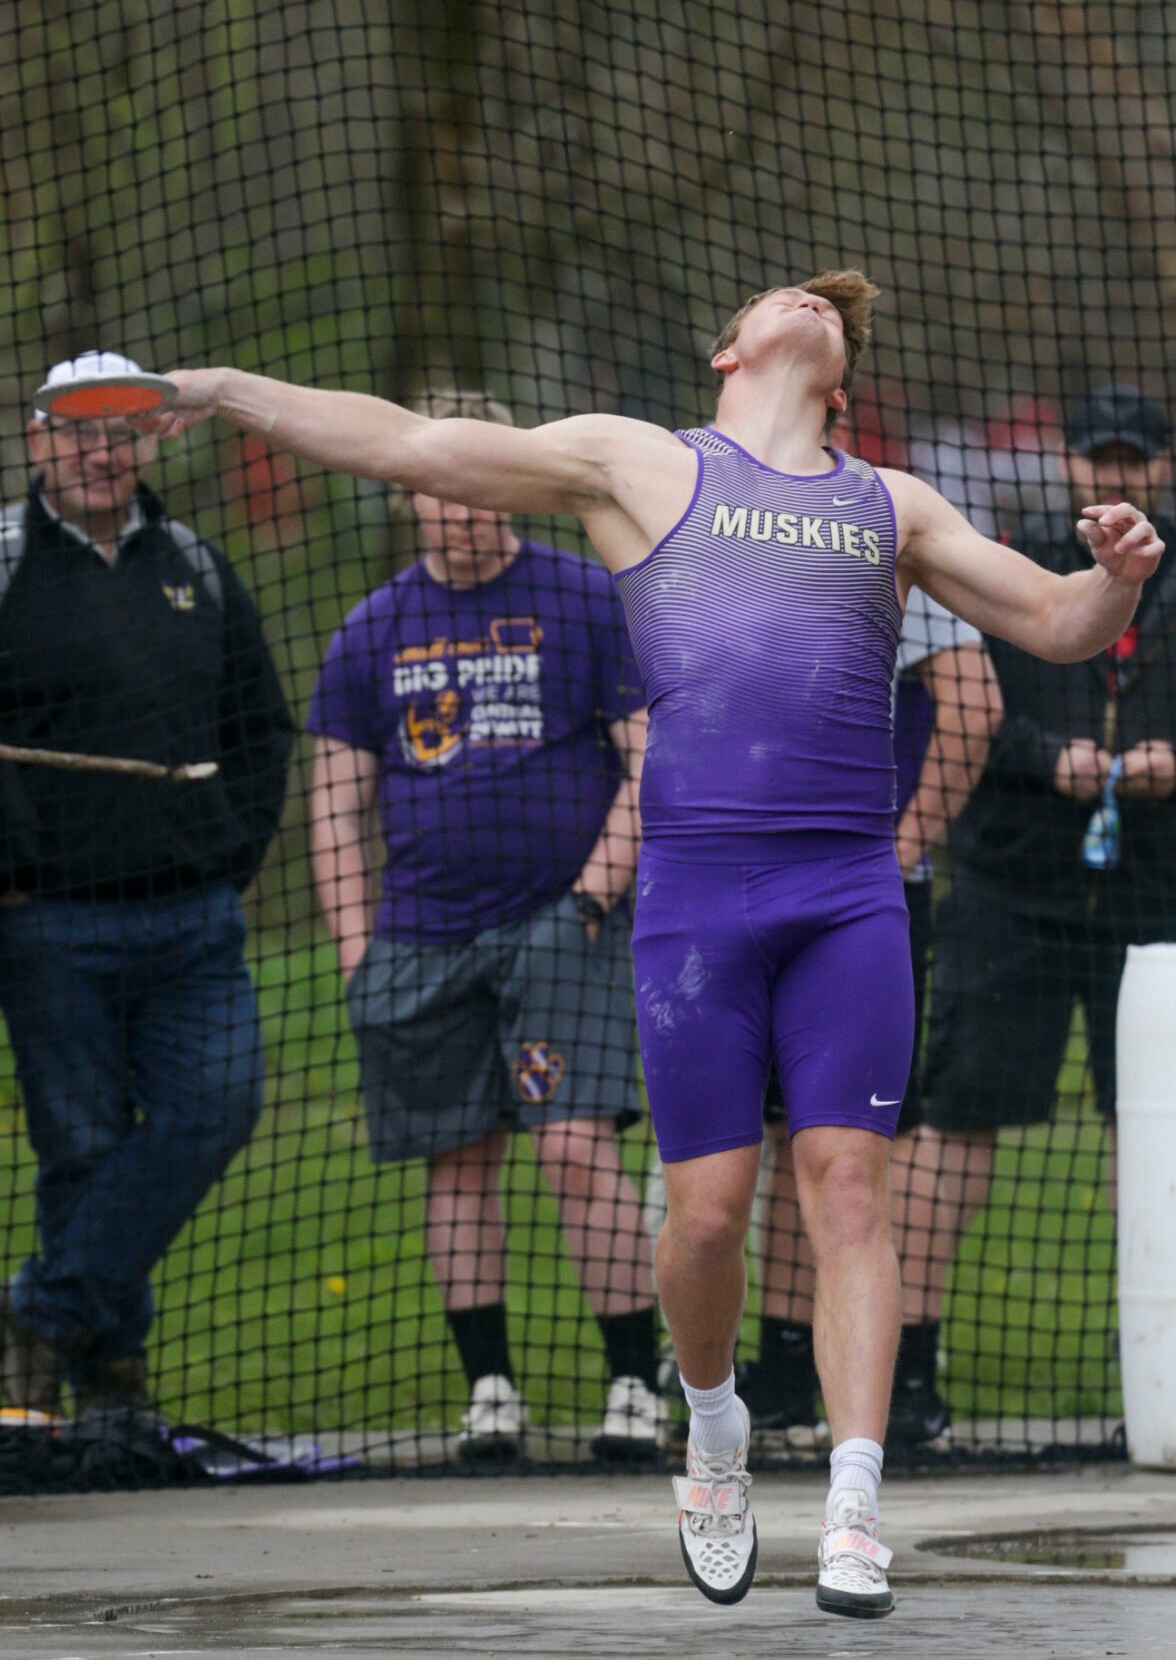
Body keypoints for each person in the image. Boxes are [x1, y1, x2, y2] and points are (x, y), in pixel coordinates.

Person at [138, 280, 1163, 1617]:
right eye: (777, 295)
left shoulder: (892, 505)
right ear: (731, 350)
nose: (803, 297)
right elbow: (403, 442)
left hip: (848, 890)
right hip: (699, 901)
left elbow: (1055, 621)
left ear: (838, 377)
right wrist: (225, 392)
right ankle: (714, 1418)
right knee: (709, 1214)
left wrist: (1120, 572)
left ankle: (856, 1503)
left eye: (824, 304)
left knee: (850, 1184)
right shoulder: (638, 461)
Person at [306, 389, 663, 1463]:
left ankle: (636, 1388)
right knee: (456, 1161)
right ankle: (490, 1390)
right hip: (422, 938)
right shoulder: (372, 629)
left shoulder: (588, 596)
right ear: (410, 492)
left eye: (477, 484)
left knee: (574, 1149)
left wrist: (596, 896)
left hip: (565, 925)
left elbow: (651, 755)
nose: (458, 508)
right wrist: (358, 949)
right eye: (436, 489)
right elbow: (334, 800)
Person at [0, 350, 293, 1422]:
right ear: (38, 437)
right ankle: (108, 1377)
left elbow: (261, 730)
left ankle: (39, 1304)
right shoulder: (5, 562)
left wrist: (231, 853)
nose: (98, 450)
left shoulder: (197, 567)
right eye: (76, 431)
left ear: (148, 442)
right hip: (47, 927)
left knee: (216, 1109)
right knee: (78, 1147)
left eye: (119, 431)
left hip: (195, 918)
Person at [895, 383, 1176, 1436]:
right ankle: (910, 1376)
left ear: (1160, 463)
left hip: (1156, 895)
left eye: (1134, 458)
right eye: (1099, 458)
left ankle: (1152, 1371)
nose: (1115, 476)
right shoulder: (1003, 564)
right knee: (958, 1118)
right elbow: (963, 714)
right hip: (1010, 882)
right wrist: (1051, 759)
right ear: (1067, 462)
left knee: (1149, 1129)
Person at [740, 587, 1003, 1453]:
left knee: (856, 1142)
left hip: (860, 903)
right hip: (740, 888)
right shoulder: (708, 538)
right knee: (780, 1132)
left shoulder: (884, 536)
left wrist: (898, 853)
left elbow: (973, 703)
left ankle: (883, 1397)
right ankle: (779, 1381)